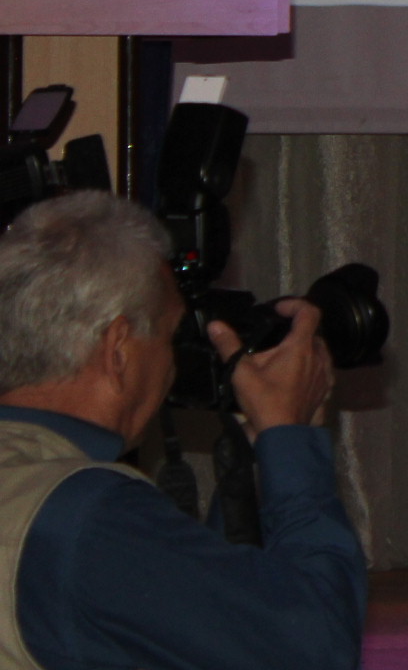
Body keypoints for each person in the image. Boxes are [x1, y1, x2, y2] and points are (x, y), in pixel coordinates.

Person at [0, 190, 365, 670]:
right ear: (118, 349)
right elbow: (314, 650)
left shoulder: (43, 496)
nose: (174, 364)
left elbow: (199, 615)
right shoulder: (86, 516)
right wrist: (290, 437)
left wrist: (255, 453)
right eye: (170, 337)